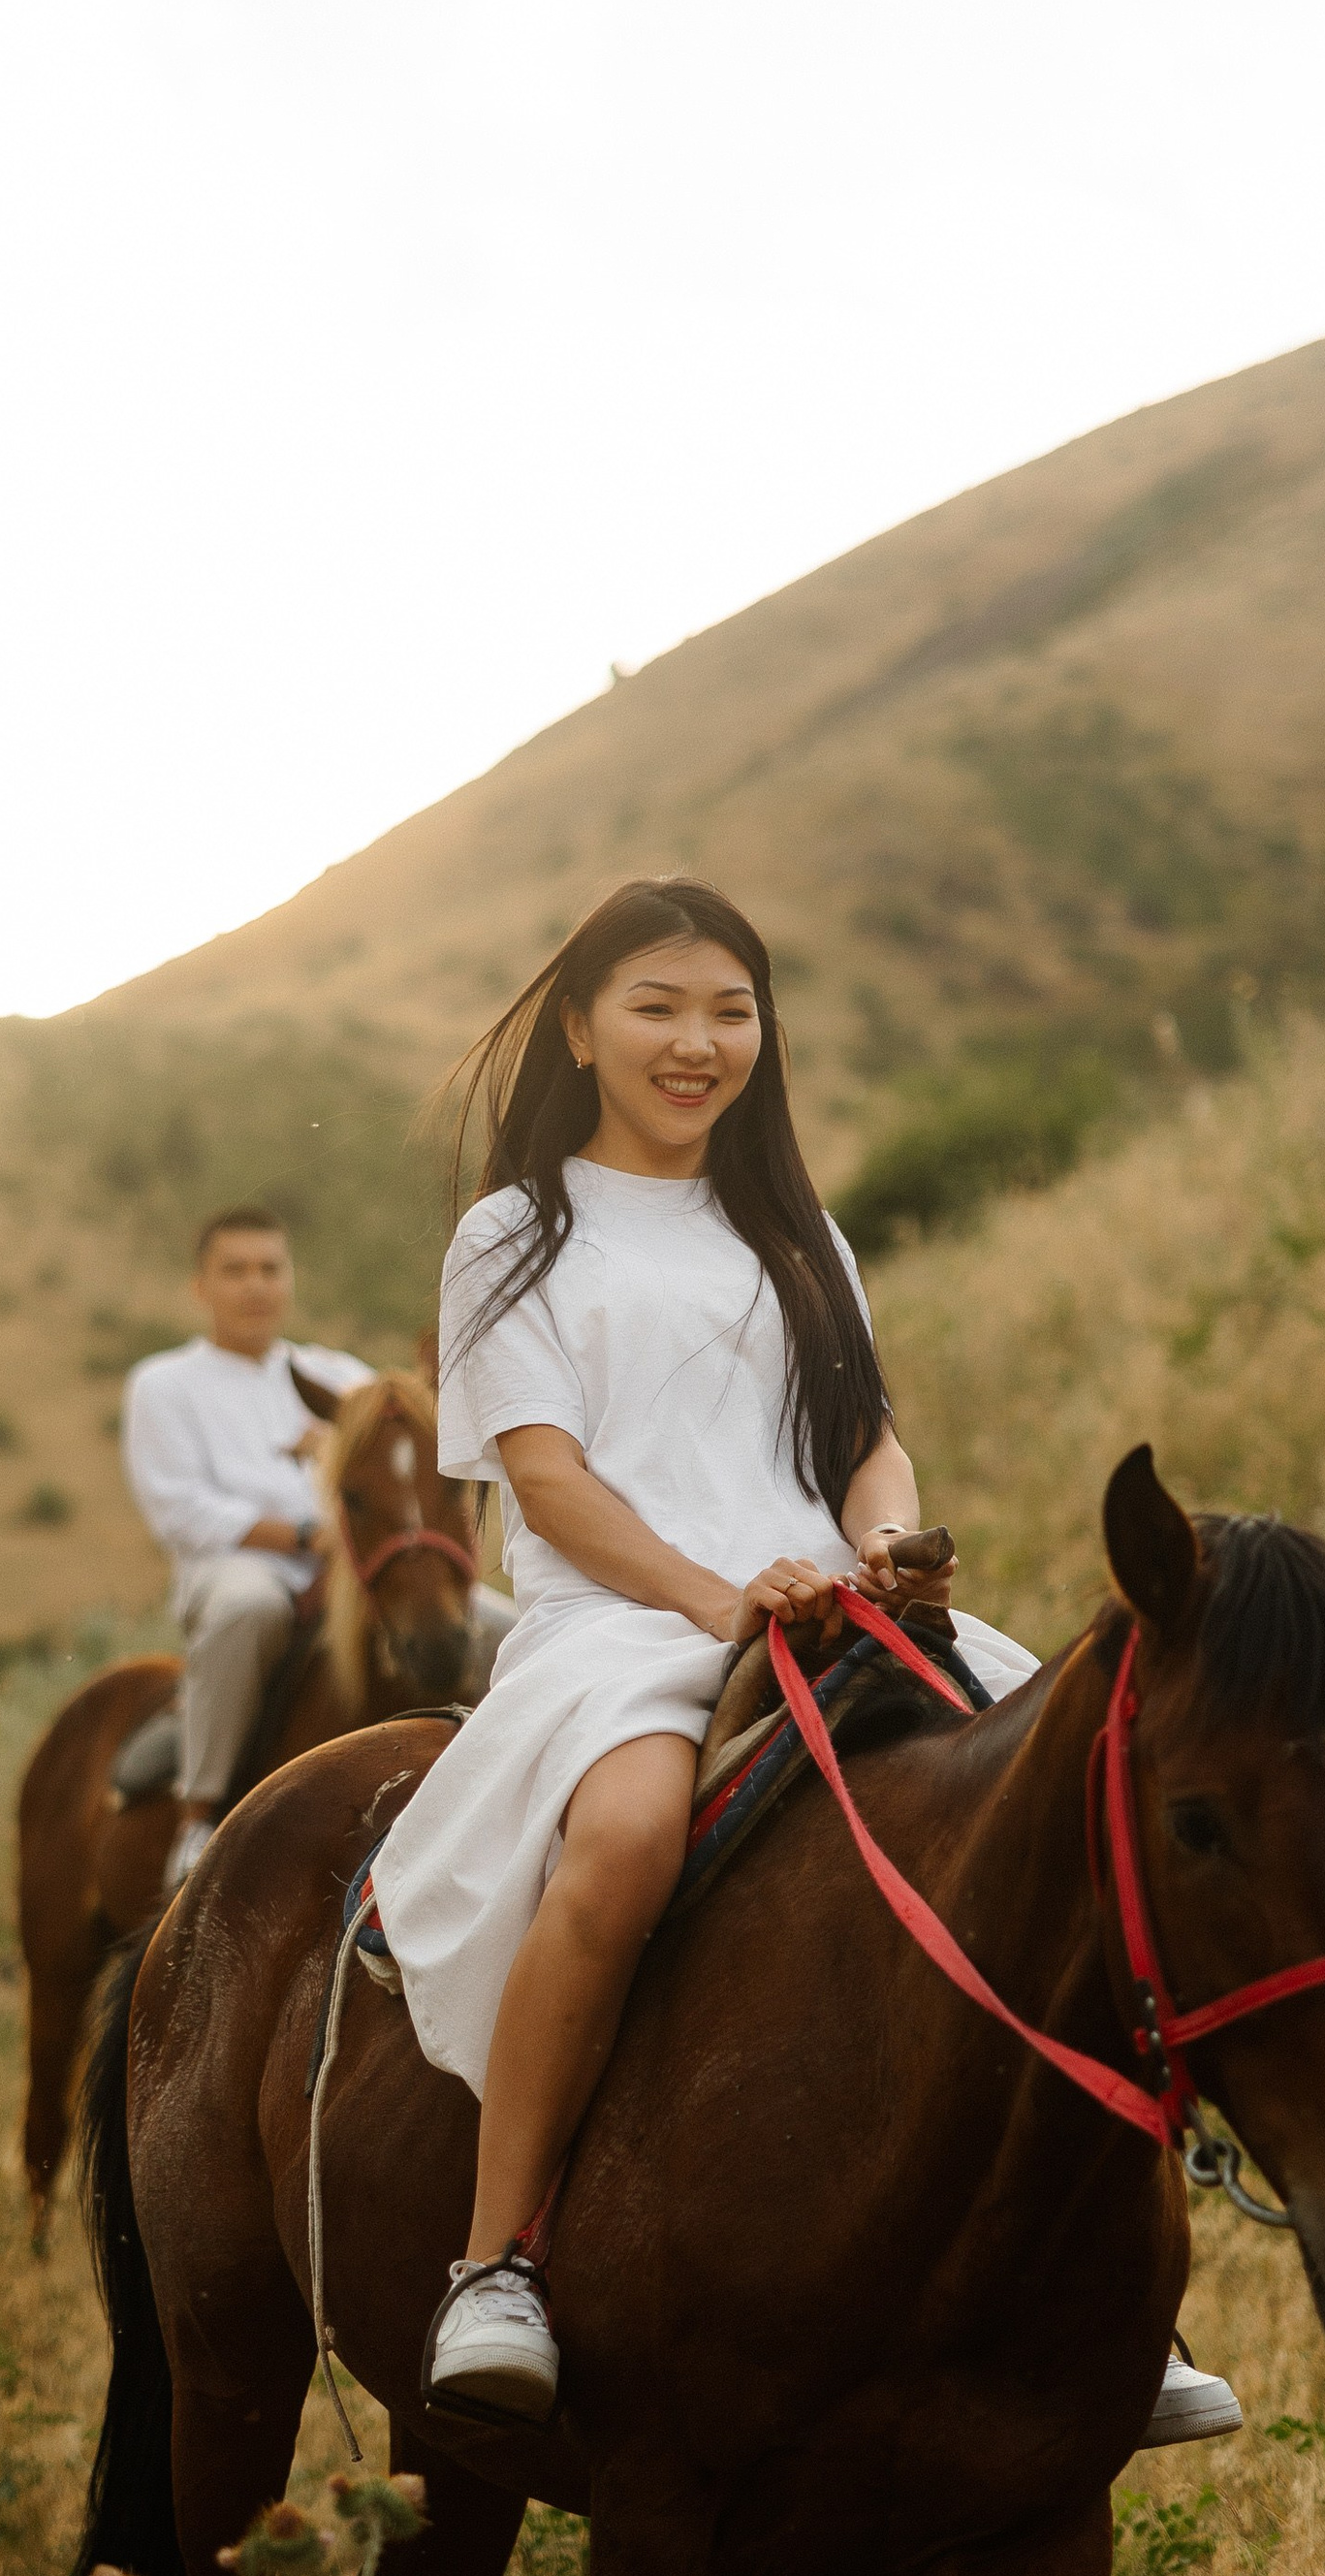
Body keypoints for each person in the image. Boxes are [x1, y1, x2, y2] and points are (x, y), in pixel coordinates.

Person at [371, 878, 1244, 2450]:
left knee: (1072, 1807)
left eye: (730, 1010)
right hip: (625, 1624)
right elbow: (549, 1480)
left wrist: (887, 1554)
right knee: (632, 1832)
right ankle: (493, 2262)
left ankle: (1123, 2286)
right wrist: (722, 1604)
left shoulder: (795, 1233)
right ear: (579, 1024)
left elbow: (867, 1445)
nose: (698, 1042)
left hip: (827, 1604)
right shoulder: (515, 1232)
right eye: (659, 1007)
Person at [123, 1207, 513, 1885]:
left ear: (290, 1279)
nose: (256, 1286)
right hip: (240, 1567)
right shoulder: (165, 1384)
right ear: (201, 1287)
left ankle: (514, 1799)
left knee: (503, 1631)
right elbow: (181, 1509)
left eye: (270, 1269)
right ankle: (199, 1815)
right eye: (235, 1271)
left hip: (355, 1572)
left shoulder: (338, 1377)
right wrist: (308, 1533)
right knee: (249, 1611)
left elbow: (397, 1463)